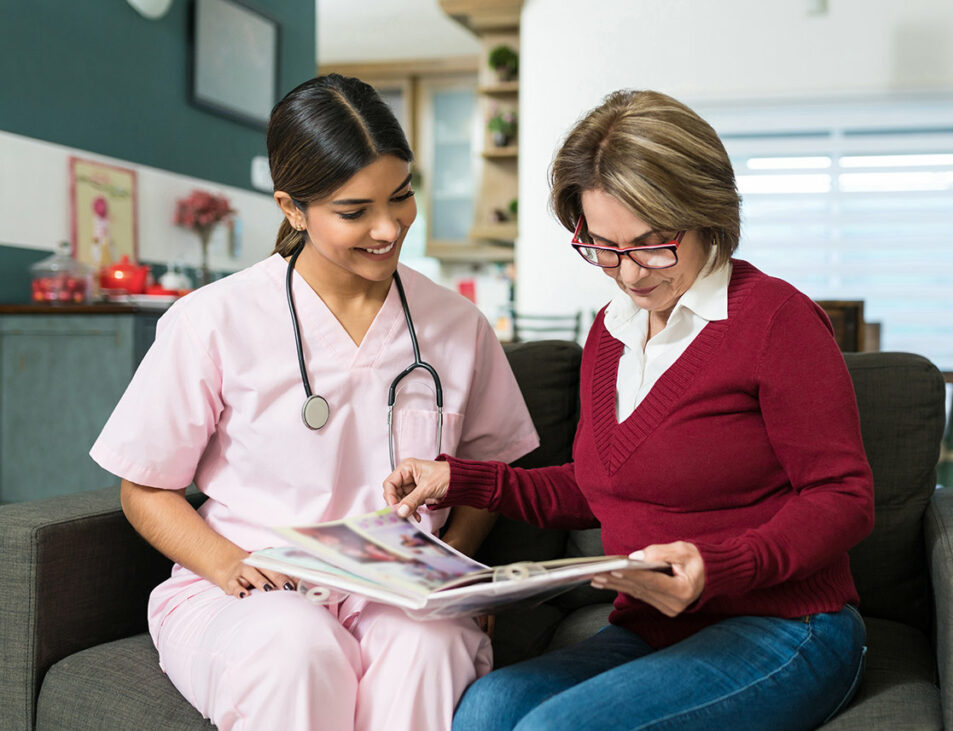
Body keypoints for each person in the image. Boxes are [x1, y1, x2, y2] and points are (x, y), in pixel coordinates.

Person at [384, 89, 875, 731]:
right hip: (656, 625)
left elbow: (844, 496)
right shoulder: (611, 331)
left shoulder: (777, 321)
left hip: (787, 628)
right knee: (486, 709)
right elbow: (599, 487)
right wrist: (463, 477)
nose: (630, 274)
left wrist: (720, 567)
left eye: (649, 244)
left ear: (705, 213)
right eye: (604, 247)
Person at [89, 74, 539, 731]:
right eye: (354, 211)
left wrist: (455, 568)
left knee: (432, 644)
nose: (388, 228)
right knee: (298, 646)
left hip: (398, 587)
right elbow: (145, 487)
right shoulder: (213, 321)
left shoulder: (456, 325)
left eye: (402, 196)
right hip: (249, 587)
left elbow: (489, 472)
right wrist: (227, 564)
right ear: (292, 208)